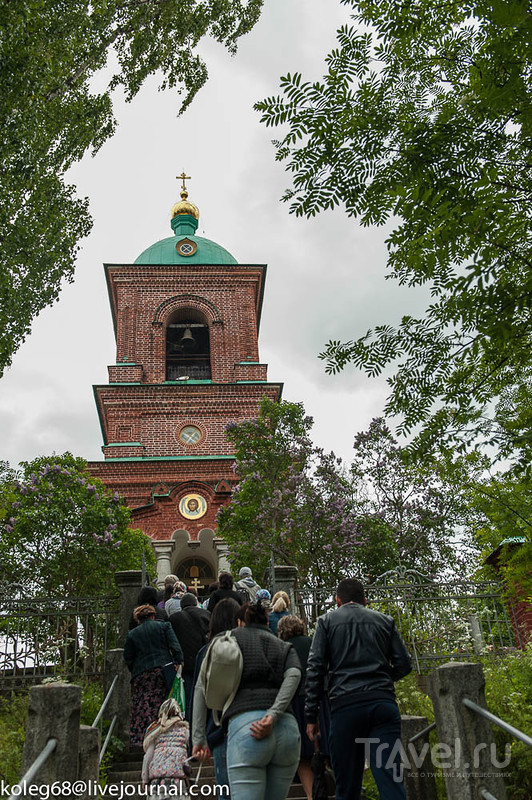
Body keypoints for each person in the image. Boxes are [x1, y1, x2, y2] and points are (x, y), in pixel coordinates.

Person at [305, 578, 412, 800]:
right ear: (365, 600)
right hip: (382, 704)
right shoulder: (385, 621)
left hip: (345, 707)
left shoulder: (326, 622)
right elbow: (404, 664)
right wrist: (382, 679)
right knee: (391, 779)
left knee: (347, 785)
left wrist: (311, 716)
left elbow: (315, 669)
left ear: (337, 601)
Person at [194, 599, 302, 800]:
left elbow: (201, 687)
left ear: (240, 621)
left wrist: (199, 738)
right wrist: (273, 713)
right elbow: (294, 675)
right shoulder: (284, 645)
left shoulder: (226, 640)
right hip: (287, 730)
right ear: (267, 621)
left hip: (246, 727)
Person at [191, 598, 241, 796]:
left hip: (219, 728)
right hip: (247, 723)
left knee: (225, 790)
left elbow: (199, 693)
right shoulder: (246, 644)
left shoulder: (206, 651)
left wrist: (198, 738)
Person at [277, 614, 329, 800]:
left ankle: (310, 795)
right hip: (321, 697)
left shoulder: (282, 648)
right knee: (326, 746)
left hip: (296, 701)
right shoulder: (314, 643)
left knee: (303, 755)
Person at [123, 604, 184, 747]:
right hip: (162, 670)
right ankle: (166, 734)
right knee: (165, 702)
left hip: (142, 674)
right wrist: (178, 661)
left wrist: (135, 669)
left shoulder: (132, 634)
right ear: (152, 615)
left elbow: (128, 656)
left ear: (138, 619)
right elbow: (175, 646)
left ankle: (145, 737)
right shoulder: (164, 626)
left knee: (144, 705)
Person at [169, 592, 211, 720]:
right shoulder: (207, 614)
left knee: (187, 694)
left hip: (185, 663)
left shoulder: (174, 618)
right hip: (204, 660)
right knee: (204, 693)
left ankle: (188, 720)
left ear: (181, 606)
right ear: (196, 603)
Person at [141, 698, 190, 791]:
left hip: (158, 781)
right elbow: (192, 748)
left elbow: (147, 757)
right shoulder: (185, 731)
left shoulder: (155, 732)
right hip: (178, 780)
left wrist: (145, 779)